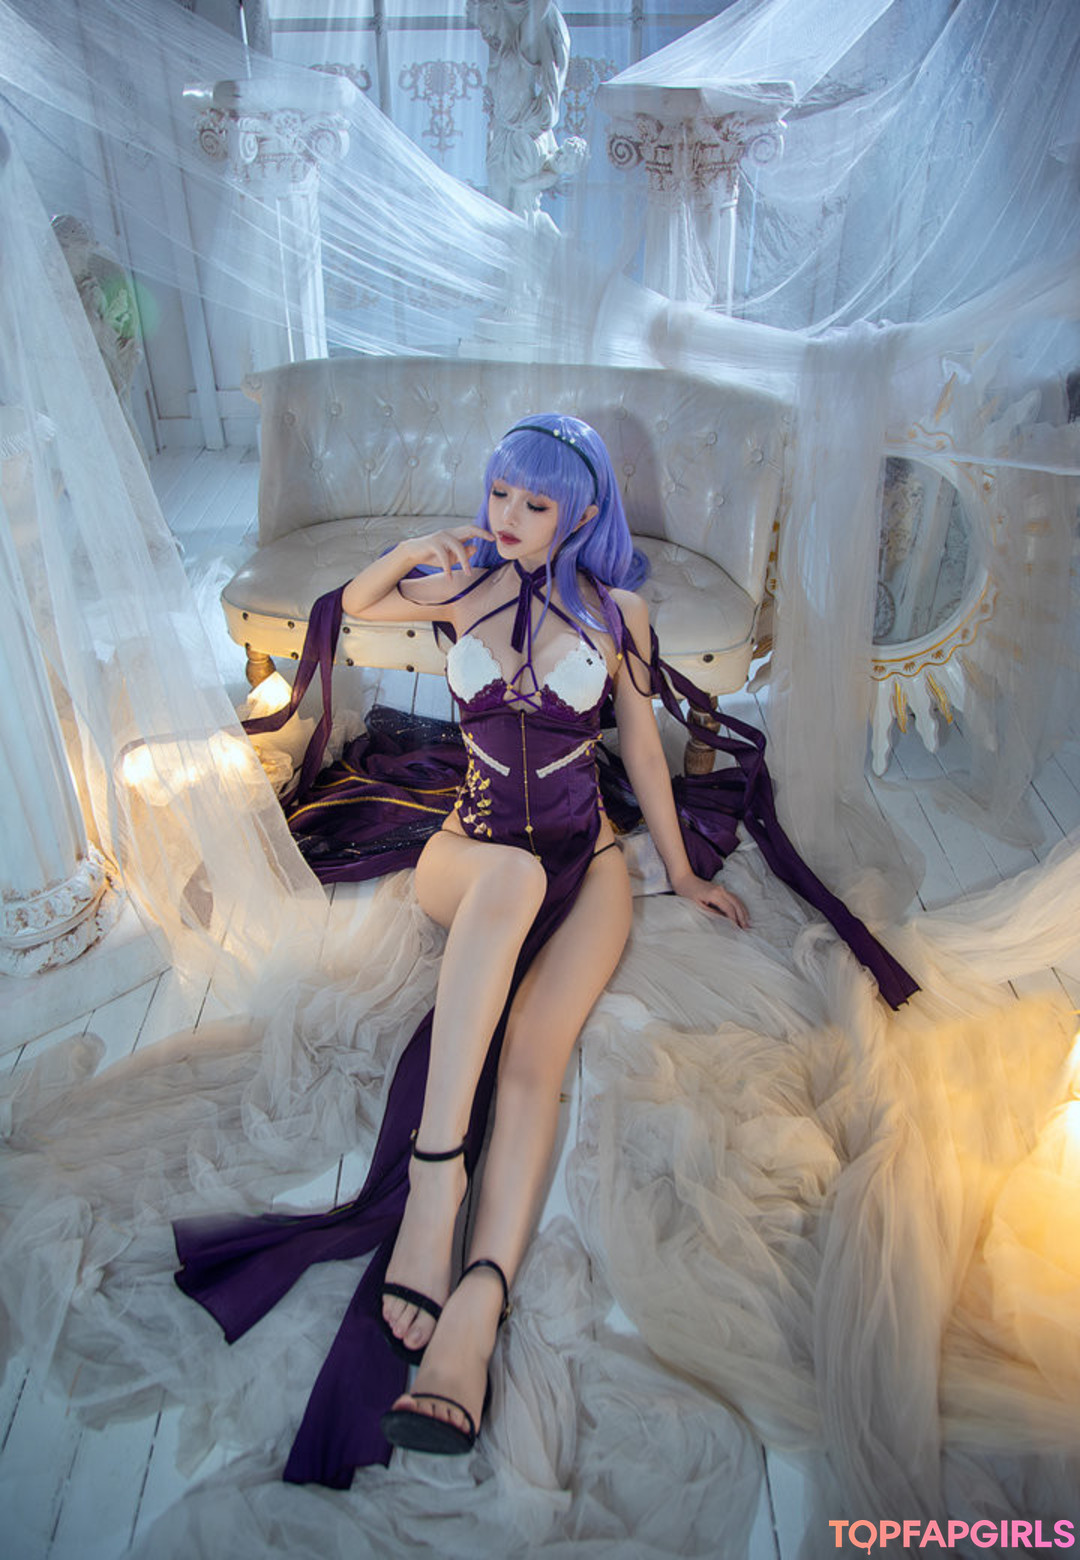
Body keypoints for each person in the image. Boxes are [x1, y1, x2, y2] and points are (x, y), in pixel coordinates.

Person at [174, 414, 916, 1484]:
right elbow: (356, 604)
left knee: (533, 1058)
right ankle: (435, 1185)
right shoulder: (463, 588)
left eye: (535, 503)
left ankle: (479, 1301)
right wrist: (419, 546)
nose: (510, 518)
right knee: (510, 879)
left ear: (582, 512)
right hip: (466, 852)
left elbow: (646, 757)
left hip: (589, 861)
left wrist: (684, 872)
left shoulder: (620, 614)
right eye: (499, 495)